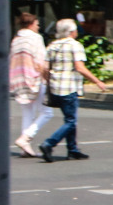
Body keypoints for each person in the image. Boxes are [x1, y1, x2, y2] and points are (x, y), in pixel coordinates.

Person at [36, 18, 108, 162]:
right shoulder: (75, 46)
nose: (77, 32)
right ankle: (49, 143)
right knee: (71, 121)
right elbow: (80, 68)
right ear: (71, 32)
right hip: (69, 88)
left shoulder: (52, 45)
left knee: (69, 119)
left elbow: (44, 68)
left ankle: (72, 150)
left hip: (55, 88)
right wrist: (97, 81)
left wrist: (48, 80)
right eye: (75, 29)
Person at [10, 12, 53, 157]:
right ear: (31, 24)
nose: (38, 27)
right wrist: (47, 78)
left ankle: (25, 149)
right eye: (37, 24)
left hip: (18, 79)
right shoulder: (36, 38)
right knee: (47, 112)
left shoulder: (16, 39)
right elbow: (41, 61)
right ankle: (26, 137)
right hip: (34, 78)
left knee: (27, 113)